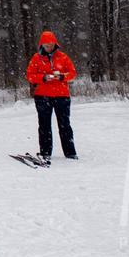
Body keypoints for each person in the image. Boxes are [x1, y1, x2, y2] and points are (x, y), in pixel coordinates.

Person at [25, 31, 78, 161]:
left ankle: (70, 153)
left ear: (56, 45)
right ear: (42, 46)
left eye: (51, 45)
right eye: (47, 45)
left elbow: (72, 73)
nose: (49, 48)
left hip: (62, 96)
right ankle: (45, 152)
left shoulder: (63, 57)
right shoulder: (36, 59)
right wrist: (42, 78)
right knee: (44, 125)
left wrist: (62, 76)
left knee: (65, 124)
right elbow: (30, 76)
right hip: (43, 96)